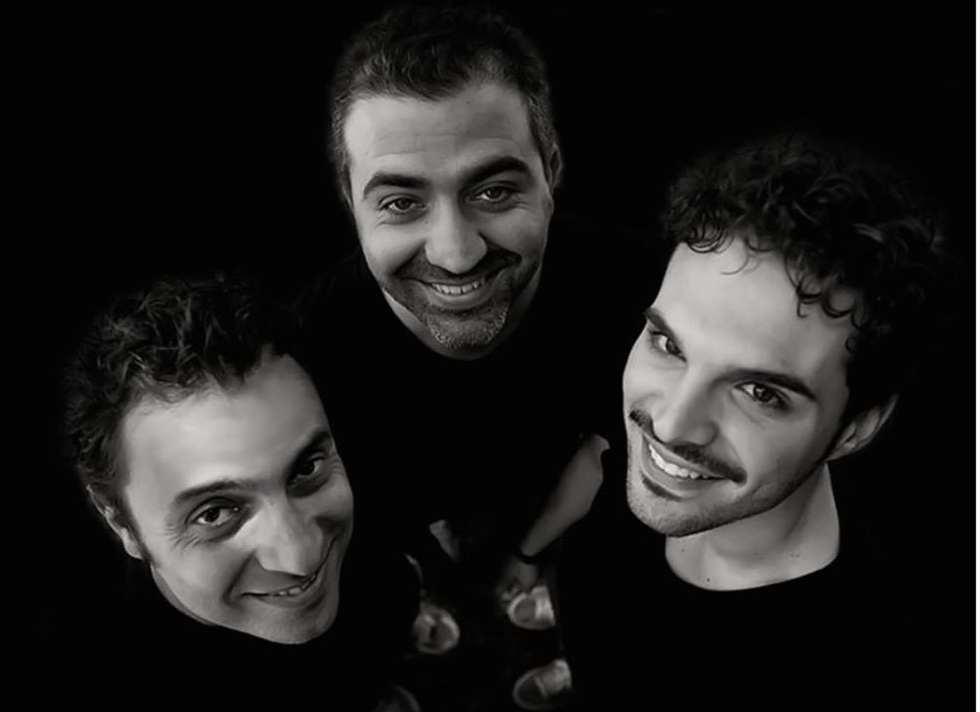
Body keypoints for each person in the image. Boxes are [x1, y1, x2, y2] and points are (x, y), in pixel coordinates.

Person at [547, 134, 955, 709]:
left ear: (856, 427)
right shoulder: (653, 455)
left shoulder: (866, 669)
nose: (671, 424)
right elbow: (601, 456)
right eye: (669, 344)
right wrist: (530, 559)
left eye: (759, 392)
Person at [301, 2, 660, 615]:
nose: (457, 254)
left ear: (551, 174)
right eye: (401, 203)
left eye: (493, 192)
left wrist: (528, 554)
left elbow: (612, 449)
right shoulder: (308, 352)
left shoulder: (644, 296)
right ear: (350, 201)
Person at [61, 274, 419, 710]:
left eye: (305, 469)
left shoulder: (378, 555)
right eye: (214, 513)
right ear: (122, 524)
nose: (301, 557)